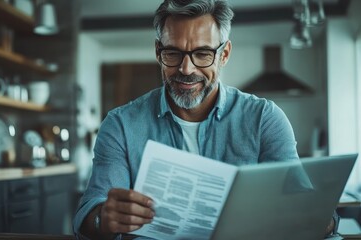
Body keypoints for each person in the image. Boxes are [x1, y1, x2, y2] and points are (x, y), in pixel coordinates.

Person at [73, 0, 338, 239]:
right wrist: (103, 219)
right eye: (173, 53)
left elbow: (312, 215)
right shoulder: (120, 125)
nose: (186, 69)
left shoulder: (264, 119)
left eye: (202, 54)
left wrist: (317, 216)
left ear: (224, 54)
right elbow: (87, 219)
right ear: (158, 52)